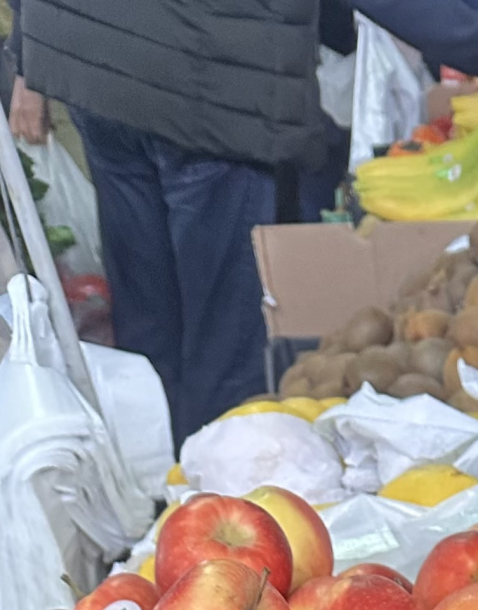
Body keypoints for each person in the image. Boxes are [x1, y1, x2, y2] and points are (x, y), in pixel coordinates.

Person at [9, 0, 335, 444]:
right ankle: (218, 484)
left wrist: (31, 55)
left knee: (148, 312)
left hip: (91, 53)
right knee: (223, 327)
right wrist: (462, 36)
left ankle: (163, 481)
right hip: (214, 75)